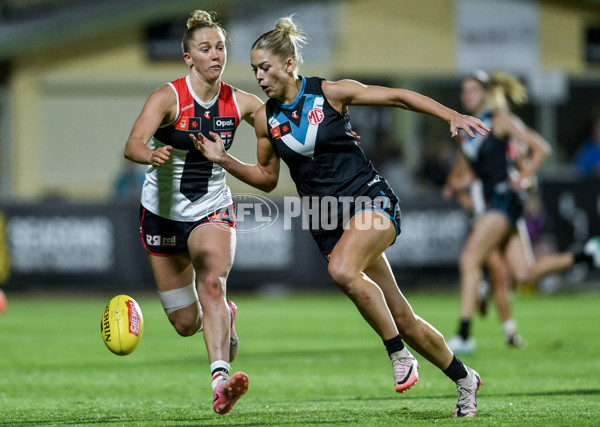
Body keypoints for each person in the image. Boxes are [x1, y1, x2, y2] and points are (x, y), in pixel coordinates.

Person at [192, 17, 488, 418]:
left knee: (344, 272)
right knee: (402, 315)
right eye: (254, 70)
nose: (260, 77)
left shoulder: (330, 93)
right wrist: (225, 159)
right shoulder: (266, 120)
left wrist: (449, 115)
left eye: (266, 67)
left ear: (290, 63)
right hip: (326, 219)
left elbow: (398, 97)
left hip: (369, 199)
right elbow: (265, 179)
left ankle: (399, 355)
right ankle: (464, 378)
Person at [123, 10, 263, 415]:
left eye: (220, 47)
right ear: (189, 57)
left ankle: (220, 381)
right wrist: (150, 153)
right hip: (162, 215)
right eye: (206, 49)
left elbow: (278, 120)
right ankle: (226, 318)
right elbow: (132, 143)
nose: (215, 55)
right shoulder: (167, 97)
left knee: (212, 282)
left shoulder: (240, 102)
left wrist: (333, 135)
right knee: (186, 323)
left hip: (211, 210)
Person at [443, 70, 600, 354]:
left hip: (503, 200)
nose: (467, 96)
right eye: (464, 91)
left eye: (472, 90)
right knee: (525, 273)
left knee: (469, 260)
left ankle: (464, 335)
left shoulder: (499, 120)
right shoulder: (465, 131)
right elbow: (470, 174)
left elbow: (540, 147)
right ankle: (588, 254)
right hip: (492, 203)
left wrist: (523, 176)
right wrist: (456, 185)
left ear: (487, 93)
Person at [574, 109, 600, 179]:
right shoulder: (587, 149)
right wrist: (594, 170)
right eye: (598, 128)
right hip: (591, 186)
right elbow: (578, 171)